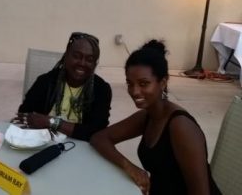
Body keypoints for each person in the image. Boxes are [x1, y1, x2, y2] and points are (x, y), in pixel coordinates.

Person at [90, 40, 221, 195]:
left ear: (163, 82)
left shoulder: (181, 126)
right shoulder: (147, 116)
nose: (134, 91)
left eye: (144, 83)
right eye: (130, 83)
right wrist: (131, 168)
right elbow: (99, 138)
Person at [14, 32, 112, 141]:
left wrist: (51, 122)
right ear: (66, 57)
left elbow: (98, 132)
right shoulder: (45, 82)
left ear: (95, 64)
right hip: (42, 142)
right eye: (76, 56)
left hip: (81, 147)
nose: (82, 63)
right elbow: (25, 115)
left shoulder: (101, 90)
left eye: (89, 59)